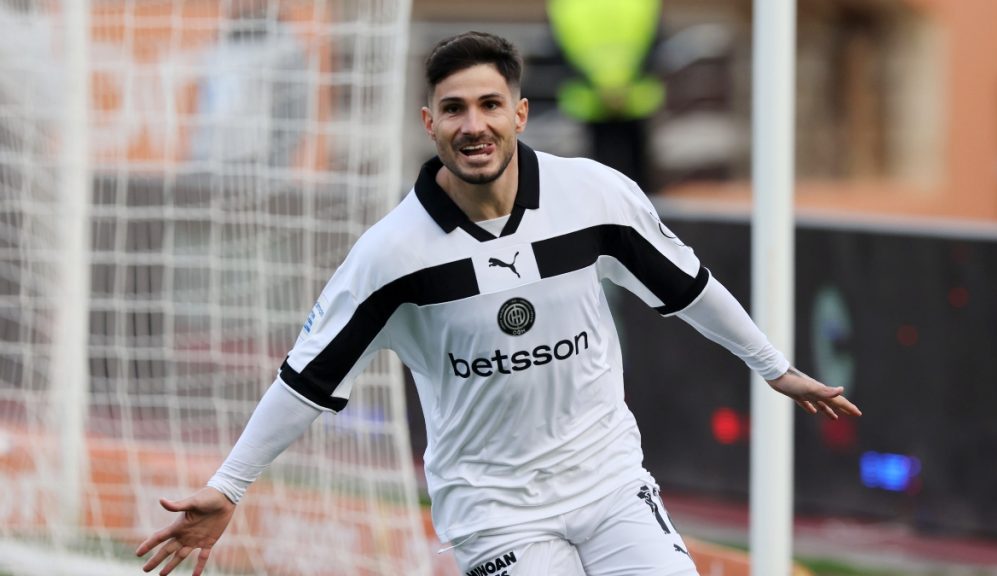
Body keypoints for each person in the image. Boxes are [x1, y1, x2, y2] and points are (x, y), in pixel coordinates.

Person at [136, 31, 861, 576]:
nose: (473, 125)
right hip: (495, 514)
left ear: (519, 112)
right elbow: (305, 380)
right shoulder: (391, 254)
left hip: (610, 484)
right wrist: (228, 486)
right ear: (429, 123)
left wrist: (772, 366)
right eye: (454, 109)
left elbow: (689, 287)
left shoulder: (594, 195)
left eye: (489, 105)